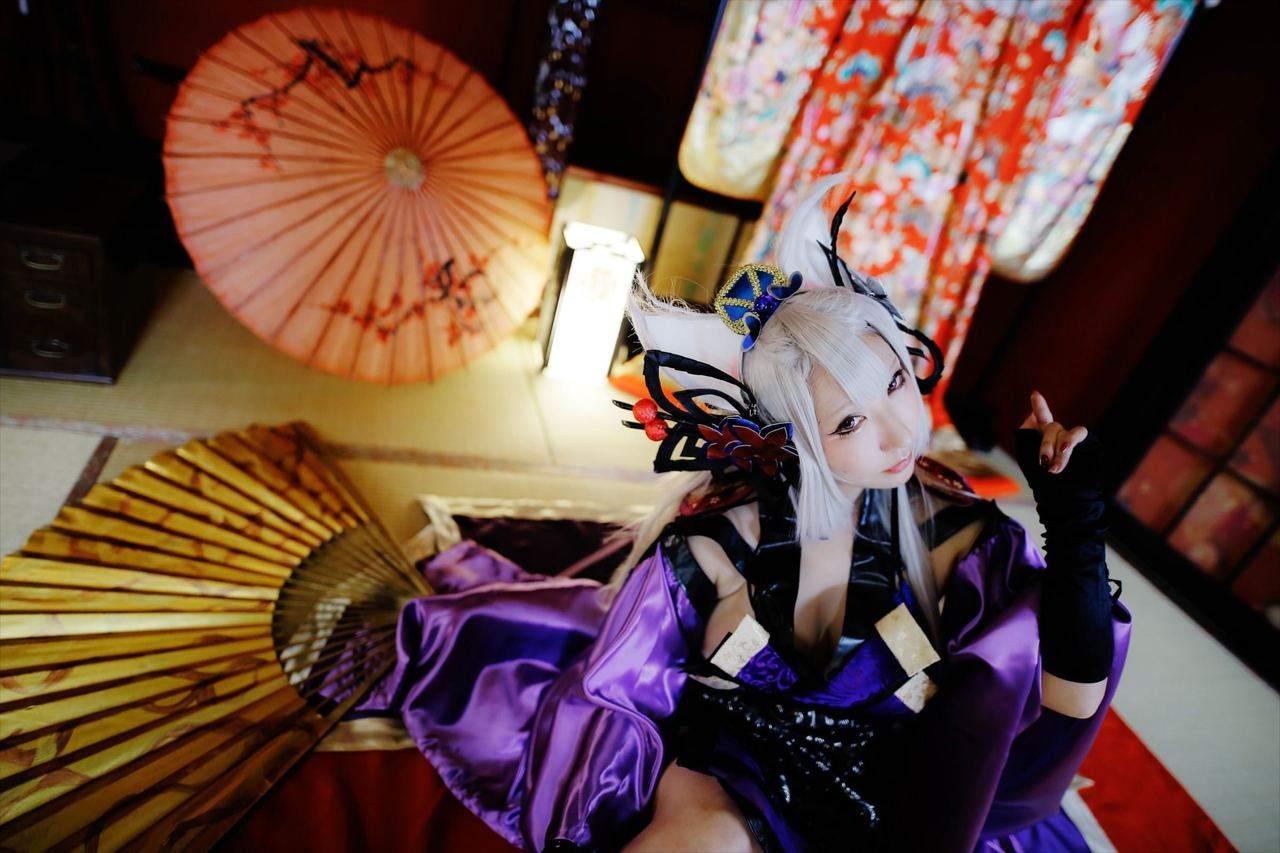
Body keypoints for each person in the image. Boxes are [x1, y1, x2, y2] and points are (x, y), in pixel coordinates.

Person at [354, 175, 1130, 852]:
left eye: (896, 382)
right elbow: (620, 701)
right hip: (727, 775)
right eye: (849, 421)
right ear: (789, 434)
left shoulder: (968, 546)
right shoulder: (715, 548)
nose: (900, 432)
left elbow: (1068, 699)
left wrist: (1075, 521)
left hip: (892, 809)